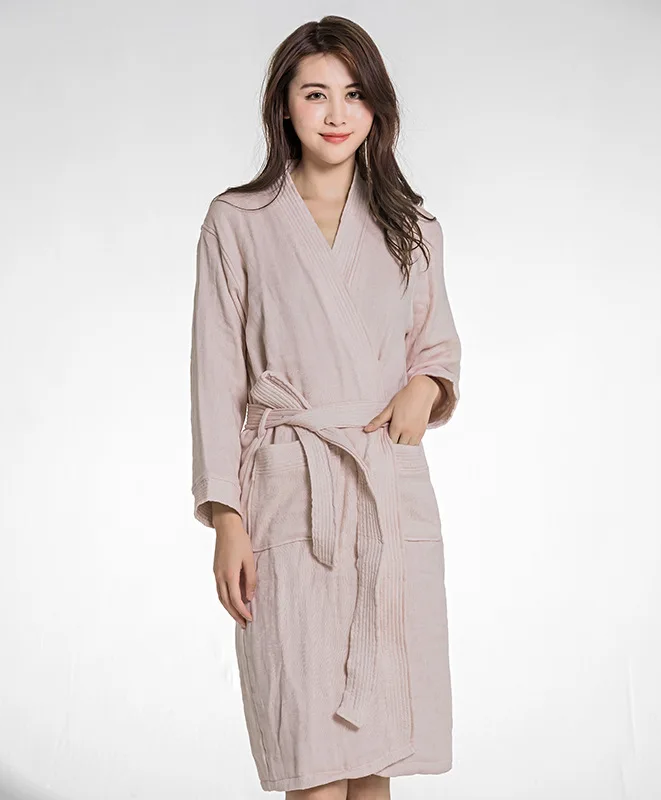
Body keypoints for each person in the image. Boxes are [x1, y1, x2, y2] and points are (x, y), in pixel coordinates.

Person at [190, 15, 462, 799]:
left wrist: (425, 389)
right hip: (290, 497)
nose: (336, 113)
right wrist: (228, 520)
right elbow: (216, 377)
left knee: (377, 759)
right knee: (310, 757)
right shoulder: (238, 222)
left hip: (385, 492)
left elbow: (437, 348)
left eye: (353, 94)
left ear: (376, 106)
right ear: (284, 105)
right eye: (315, 94)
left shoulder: (414, 228)